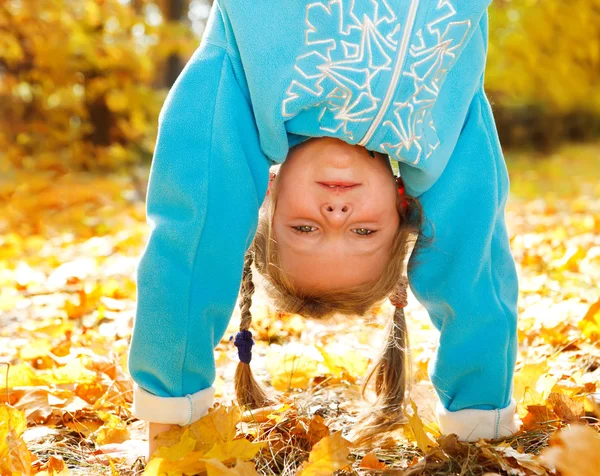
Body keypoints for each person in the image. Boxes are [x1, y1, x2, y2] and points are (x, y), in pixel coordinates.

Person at [126, 0, 522, 462]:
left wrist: (171, 423)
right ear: (402, 207)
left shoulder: (244, 86)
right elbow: (471, 263)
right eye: (363, 232)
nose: (336, 214)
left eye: (305, 227)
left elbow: (194, 236)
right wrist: (480, 420)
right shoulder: (438, 136)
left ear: (268, 195)